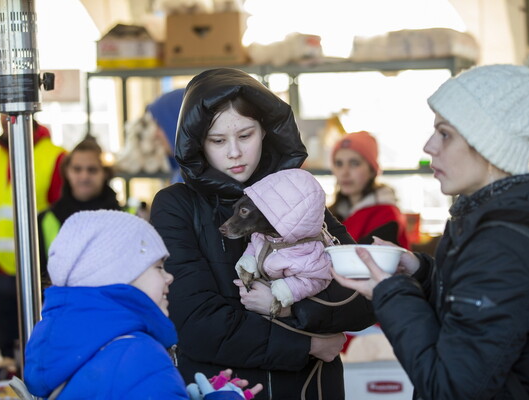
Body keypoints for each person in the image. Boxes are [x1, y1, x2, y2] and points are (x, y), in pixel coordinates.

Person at [333, 44, 529, 399]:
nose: (429, 146)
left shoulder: (502, 245)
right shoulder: (511, 218)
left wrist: (391, 294)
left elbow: (450, 387)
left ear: (490, 144)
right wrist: (422, 273)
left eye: (445, 133)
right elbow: (488, 313)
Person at [150, 67, 375, 399]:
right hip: (223, 390)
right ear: (197, 142)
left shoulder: (299, 197)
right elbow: (198, 325)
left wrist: (284, 306)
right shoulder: (177, 206)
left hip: (309, 388)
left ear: (266, 131)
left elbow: (362, 298)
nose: (234, 153)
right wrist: (311, 343)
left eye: (245, 135)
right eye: (217, 140)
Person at [24, 210, 262, 400]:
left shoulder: (65, 344)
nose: (169, 277)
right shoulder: (138, 357)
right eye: (158, 267)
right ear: (121, 276)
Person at [0, 114, 66, 358]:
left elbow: (62, 215)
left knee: (44, 347)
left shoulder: (56, 157)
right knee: (6, 353)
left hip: (39, 270)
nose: (6, 118)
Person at [37, 137, 121, 285]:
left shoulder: (126, 218)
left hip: (112, 305)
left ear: (105, 173)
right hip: (62, 306)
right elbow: (39, 280)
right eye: (77, 169)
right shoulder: (45, 220)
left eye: (92, 170)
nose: (84, 176)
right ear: (67, 172)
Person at [329, 130, 409, 248]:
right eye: (339, 164)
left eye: (354, 163)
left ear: (372, 170)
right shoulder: (333, 213)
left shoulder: (386, 215)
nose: (344, 172)